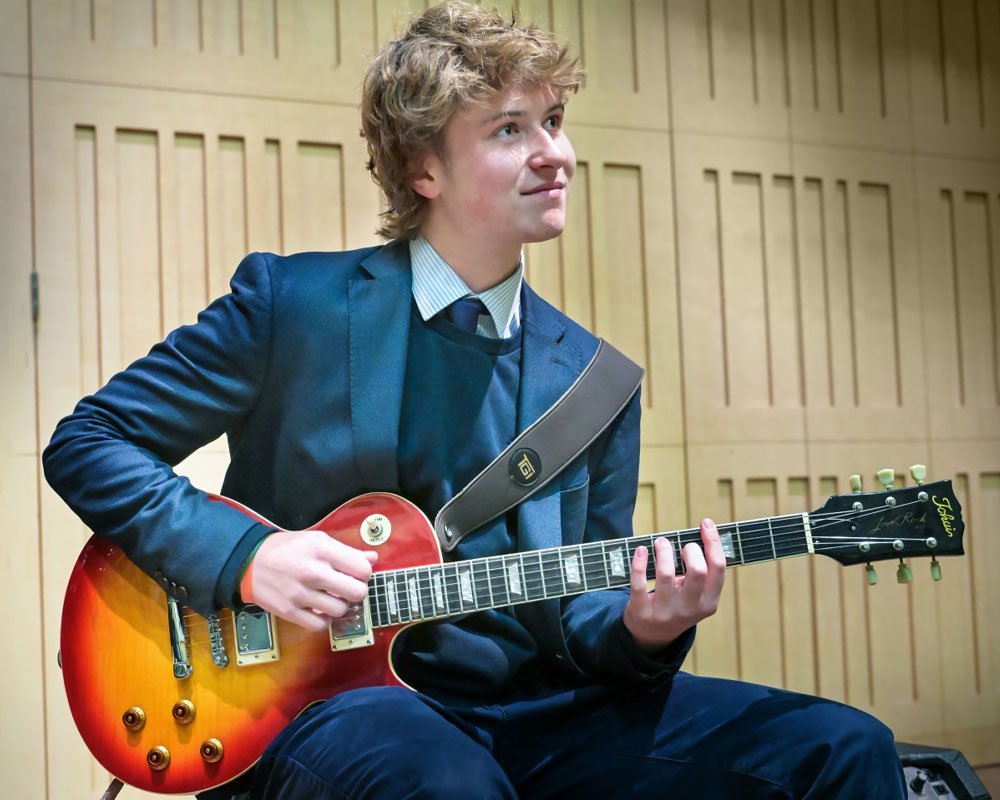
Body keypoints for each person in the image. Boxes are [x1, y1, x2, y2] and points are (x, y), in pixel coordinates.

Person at [44, 3, 905, 798]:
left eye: (555, 123)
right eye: (510, 129)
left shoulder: (598, 383)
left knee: (842, 749)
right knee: (446, 784)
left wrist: (646, 629)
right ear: (424, 167)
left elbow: (583, 617)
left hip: (539, 710)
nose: (555, 153)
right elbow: (90, 439)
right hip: (321, 704)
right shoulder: (291, 307)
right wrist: (247, 560)